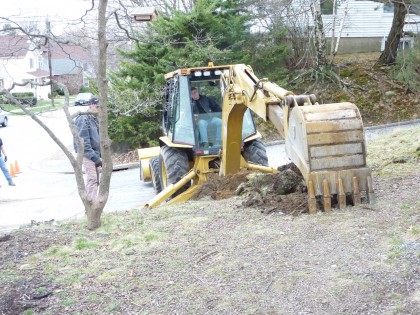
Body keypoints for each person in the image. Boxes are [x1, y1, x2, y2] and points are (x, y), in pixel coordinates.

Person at [74, 97, 101, 201]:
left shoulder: (94, 119)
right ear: (90, 105)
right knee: (92, 179)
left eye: (100, 107)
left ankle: (94, 204)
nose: (99, 109)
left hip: (95, 153)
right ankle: (90, 206)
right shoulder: (83, 119)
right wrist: (95, 158)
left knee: (96, 179)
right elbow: (83, 143)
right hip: (87, 155)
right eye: (97, 107)